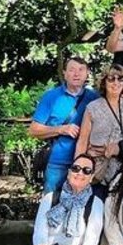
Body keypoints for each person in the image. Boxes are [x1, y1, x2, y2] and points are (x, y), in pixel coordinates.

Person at [29, 57, 99, 192]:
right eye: (72, 70)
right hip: (57, 162)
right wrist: (61, 129)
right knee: (50, 204)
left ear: (87, 74)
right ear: (64, 73)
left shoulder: (95, 98)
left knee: (78, 209)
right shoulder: (51, 96)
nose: (76, 74)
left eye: (81, 70)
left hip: (84, 164)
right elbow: (33, 130)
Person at [76, 65, 123, 200]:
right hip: (98, 169)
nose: (116, 83)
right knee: (95, 210)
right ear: (104, 82)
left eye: (120, 79)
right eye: (111, 79)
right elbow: (83, 140)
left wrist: (118, 148)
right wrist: (79, 168)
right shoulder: (93, 107)